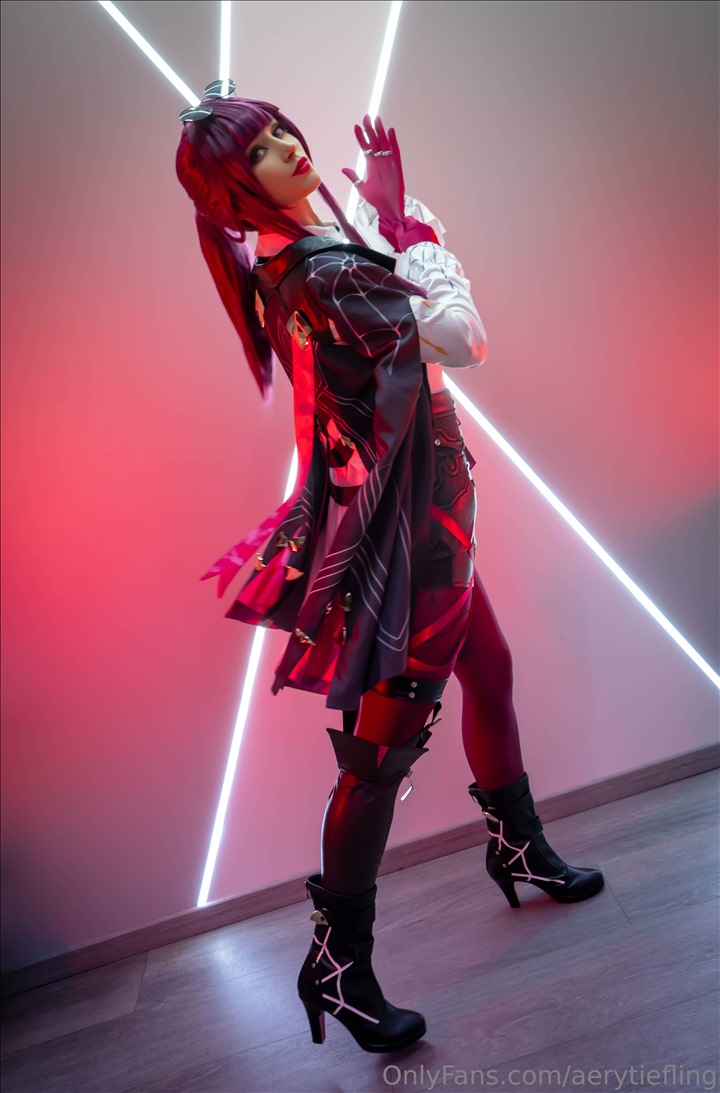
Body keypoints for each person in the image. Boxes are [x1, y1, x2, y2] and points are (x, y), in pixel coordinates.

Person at [176, 81, 605, 1055]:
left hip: (421, 515)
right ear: (234, 192)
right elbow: (462, 338)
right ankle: (338, 962)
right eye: (260, 149)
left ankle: (518, 845)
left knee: (490, 668)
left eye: (280, 128)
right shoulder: (320, 271)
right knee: (378, 760)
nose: (288, 145)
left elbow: (385, 329)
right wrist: (416, 238)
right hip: (410, 535)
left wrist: (386, 213)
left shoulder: (291, 258)